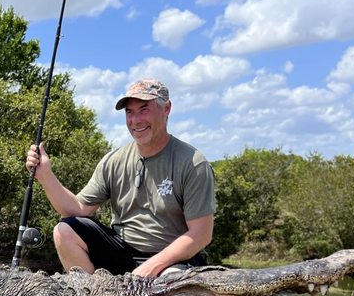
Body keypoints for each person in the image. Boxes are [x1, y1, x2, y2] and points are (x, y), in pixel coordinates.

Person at [26, 78, 215, 277]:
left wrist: (148, 269)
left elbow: (201, 235)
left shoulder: (193, 163)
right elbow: (76, 210)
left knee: (169, 283)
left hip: (173, 262)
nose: (136, 120)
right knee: (64, 230)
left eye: (144, 109)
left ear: (166, 109)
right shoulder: (113, 160)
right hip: (123, 253)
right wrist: (45, 176)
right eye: (129, 112)